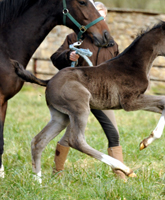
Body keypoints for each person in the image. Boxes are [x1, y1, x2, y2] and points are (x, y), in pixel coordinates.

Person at [50, 2, 126, 180]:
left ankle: (120, 174)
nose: (98, 19)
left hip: (103, 95)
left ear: (104, 18)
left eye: (102, 15)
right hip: (78, 94)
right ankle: (57, 172)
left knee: (113, 132)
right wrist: (68, 56)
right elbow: (55, 58)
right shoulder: (73, 37)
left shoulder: (111, 43)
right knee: (70, 134)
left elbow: (119, 68)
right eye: (95, 14)